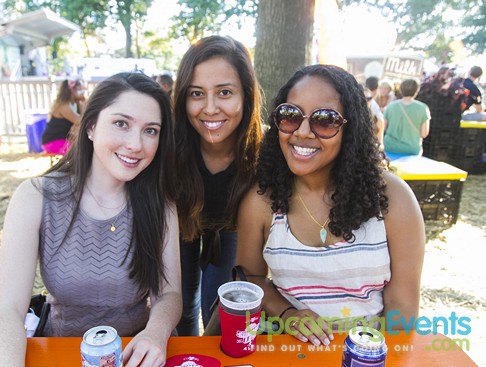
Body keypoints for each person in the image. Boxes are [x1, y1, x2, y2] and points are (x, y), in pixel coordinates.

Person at [0, 73, 181, 367]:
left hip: (137, 354)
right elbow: (6, 309)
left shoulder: (161, 204)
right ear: (90, 126)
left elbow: (169, 294)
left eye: (150, 130)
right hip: (60, 352)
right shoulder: (35, 197)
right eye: (121, 124)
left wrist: (155, 332)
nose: (136, 144)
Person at [236, 64, 425, 346]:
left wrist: (373, 357)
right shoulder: (261, 202)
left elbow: (402, 306)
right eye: (290, 116)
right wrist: (288, 314)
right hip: (288, 356)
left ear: (351, 130)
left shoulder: (393, 199)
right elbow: (249, 277)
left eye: (325, 120)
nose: (302, 131)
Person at [172, 35, 263, 335]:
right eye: (196, 93)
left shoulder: (265, 152)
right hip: (181, 222)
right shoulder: (168, 145)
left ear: (246, 95)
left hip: (231, 227)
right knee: (180, 305)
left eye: (224, 92)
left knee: (219, 307)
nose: (210, 109)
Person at [383, 78, 430, 155]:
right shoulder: (423, 108)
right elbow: (424, 134)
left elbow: (383, 128)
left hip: (389, 147)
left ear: (401, 90)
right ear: (416, 90)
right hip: (411, 150)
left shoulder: (390, 106)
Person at [41, 79, 86, 155]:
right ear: (71, 90)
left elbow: (83, 117)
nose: (82, 92)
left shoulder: (76, 104)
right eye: (79, 89)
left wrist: (83, 103)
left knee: (85, 147)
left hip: (64, 140)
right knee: (82, 150)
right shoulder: (63, 106)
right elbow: (80, 120)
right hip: (53, 141)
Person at [363, 86, 385, 151]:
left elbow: (381, 144)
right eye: (363, 99)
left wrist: (375, 146)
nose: (366, 102)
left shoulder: (378, 120)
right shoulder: (348, 119)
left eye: (369, 98)